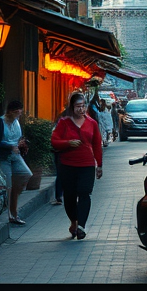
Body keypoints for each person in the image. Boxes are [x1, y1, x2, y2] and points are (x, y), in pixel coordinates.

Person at [50, 92, 103, 240]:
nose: (81, 109)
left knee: (85, 192)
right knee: (70, 196)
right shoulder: (64, 123)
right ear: (72, 107)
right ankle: (74, 221)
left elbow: (97, 145)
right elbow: (54, 141)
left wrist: (99, 165)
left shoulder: (92, 123)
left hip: (86, 164)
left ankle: (81, 226)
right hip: (67, 165)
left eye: (83, 106)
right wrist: (68, 143)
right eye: (78, 106)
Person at [0, 99, 33, 225]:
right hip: (3, 155)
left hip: (14, 154)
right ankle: (11, 214)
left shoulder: (16, 122)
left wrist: (20, 144)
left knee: (26, 174)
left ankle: (14, 199)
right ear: (10, 112)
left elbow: (17, 138)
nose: (19, 114)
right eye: (16, 111)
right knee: (7, 185)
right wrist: (8, 147)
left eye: (20, 111)